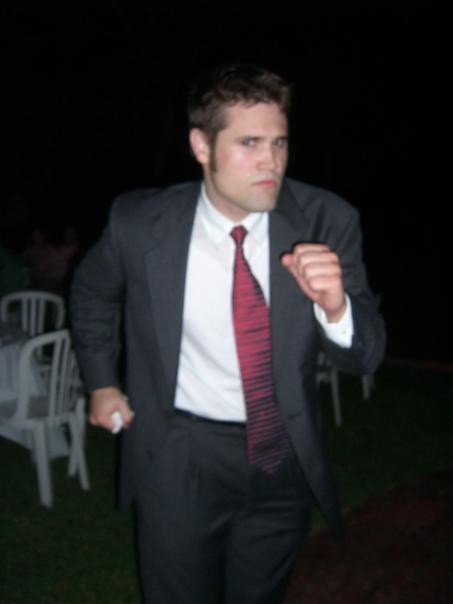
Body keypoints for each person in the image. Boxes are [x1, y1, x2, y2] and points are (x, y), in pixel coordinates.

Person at [70, 63, 386, 604]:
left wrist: (336, 308)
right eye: (249, 143)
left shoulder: (325, 220)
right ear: (201, 145)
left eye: (279, 142)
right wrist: (102, 382)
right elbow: (92, 292)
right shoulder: (140, 222)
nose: (271, 161)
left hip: (281, 456)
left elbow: (366, 357)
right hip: (182, 455)